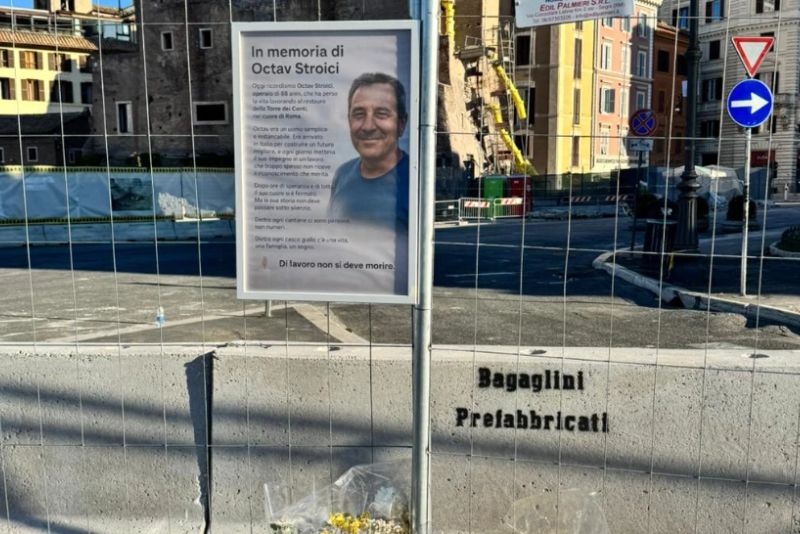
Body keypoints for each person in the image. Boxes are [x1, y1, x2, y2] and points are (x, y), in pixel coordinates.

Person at [328, 72, 409, 232]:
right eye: (359, 114)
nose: (368, 126)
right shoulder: (342, 175)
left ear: (401, 124)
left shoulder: (416, 180)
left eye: (381, 114)